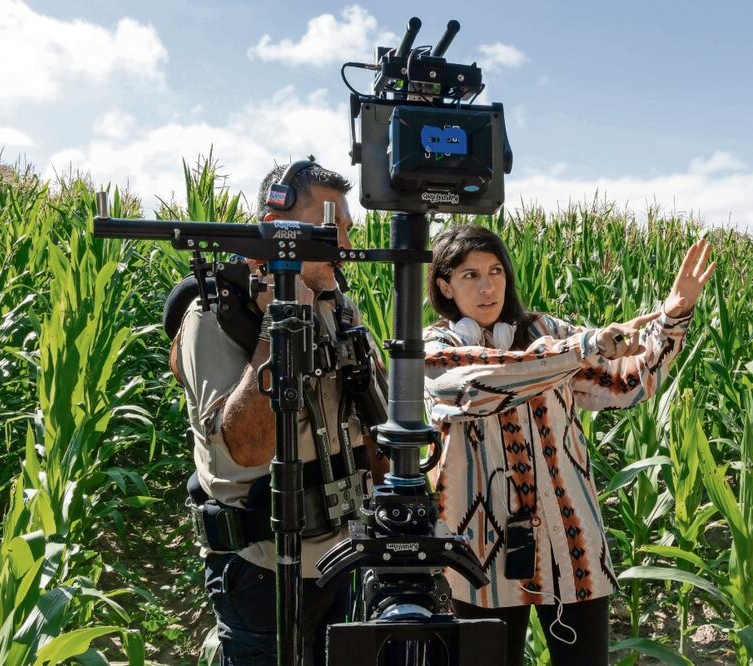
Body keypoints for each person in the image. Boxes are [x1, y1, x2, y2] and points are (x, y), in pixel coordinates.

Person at [422, 224, 714, 666]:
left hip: (569, 542)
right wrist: (578, 350)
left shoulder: (546, 329)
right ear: (445, 284)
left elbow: (626, 382)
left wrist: (672, 318)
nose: (488, 286)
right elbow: (472, 386)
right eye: (470, 275)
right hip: (479, 554)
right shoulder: (436, 345)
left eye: (496, 271)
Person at [170, 161, 387, 666]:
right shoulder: (217, 315)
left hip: (341, 558)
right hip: (261, 570)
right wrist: (279, 324)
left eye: (347, 232)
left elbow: (368, 430)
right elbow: (243, 449)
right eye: (332, 230)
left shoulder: (340, 312)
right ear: (279, 222)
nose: (347, 247)